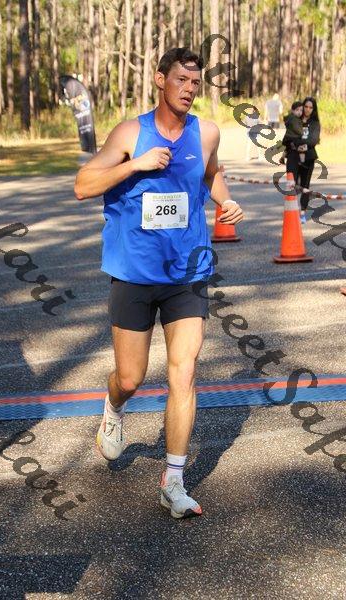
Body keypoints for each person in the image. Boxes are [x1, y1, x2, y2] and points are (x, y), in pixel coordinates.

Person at [74, 47, 243, 519]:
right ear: (159, 79)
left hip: (187, 273)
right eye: (181, 80)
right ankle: (113, 408)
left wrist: (225, 200)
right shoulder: (130, 133)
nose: (189, 89)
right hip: (133, 274)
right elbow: (83, 185)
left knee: (183, 373)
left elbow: (211, 173)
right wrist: (135, 164)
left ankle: (173, 480)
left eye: (196, 82)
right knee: (130, 378)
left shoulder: (206, 133)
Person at [285, 97, 321, 224]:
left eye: (311, 107)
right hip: (293, 155)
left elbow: (314, 139)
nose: (307, 109)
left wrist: (304, 144)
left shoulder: (315, 123)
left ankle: (302, 213)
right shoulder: (296, 119)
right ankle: (292, 212)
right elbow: (288, 136)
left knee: (305, 186)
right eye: (306, 106)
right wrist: (290, 147)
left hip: (308, 157)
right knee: (291, 184)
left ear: (313, 109)